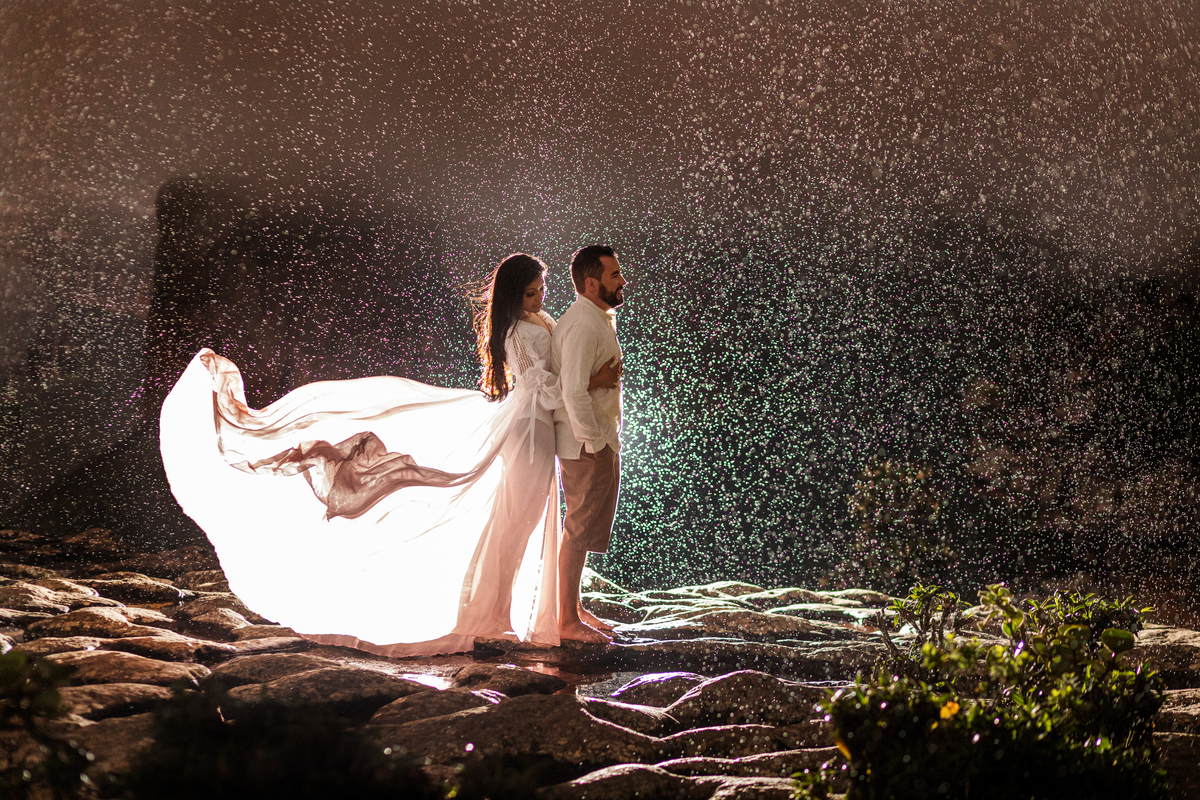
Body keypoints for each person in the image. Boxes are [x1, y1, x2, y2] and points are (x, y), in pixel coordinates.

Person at [159, 253, 617, 656]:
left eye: (541, 290)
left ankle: (528, 610)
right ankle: (487, 615)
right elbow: (539, 387)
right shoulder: (516, 330)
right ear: (514, 295)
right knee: (514, 523)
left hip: (540, 430)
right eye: (531, 292)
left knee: (524, 521)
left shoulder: (540, 319)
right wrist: (589, 383)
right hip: (529, 431)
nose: (539, 298)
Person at [552, 245, 627, 644]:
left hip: (596, 439)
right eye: (614, 274)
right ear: (592, 283)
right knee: (578, 529)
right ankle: (565, 621)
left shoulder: (595, 317)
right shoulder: (583, 323)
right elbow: (572, 392)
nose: (623, 280)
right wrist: (595, 443)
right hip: (587, 444)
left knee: (581, 528)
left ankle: (574, 609)